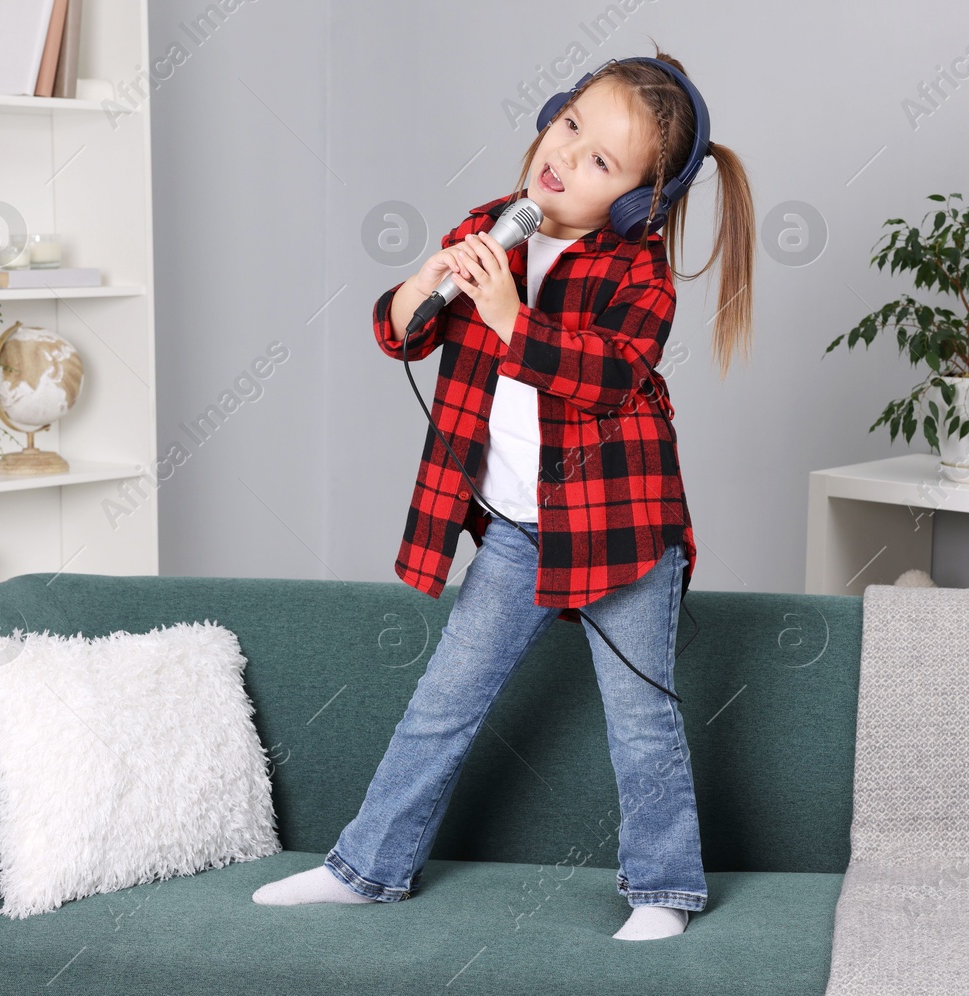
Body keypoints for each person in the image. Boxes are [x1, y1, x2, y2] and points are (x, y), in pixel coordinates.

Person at [254, 48, 755, 941]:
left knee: (641, 717)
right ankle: (367, 869)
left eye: (603, 161)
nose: (566, 156)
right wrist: (421, 288)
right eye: (570, 128)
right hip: (522, 530)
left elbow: (605, 375)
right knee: (442, 702)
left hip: (619, 532)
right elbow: (407, 335)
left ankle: (664, 890)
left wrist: (509, 319)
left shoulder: (637, 273)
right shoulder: (494, 229)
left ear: (637, 200)